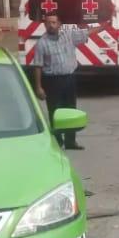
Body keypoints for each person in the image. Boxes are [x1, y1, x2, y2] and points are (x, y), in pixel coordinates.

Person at [28, 13, 89, 150]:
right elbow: (38, 66)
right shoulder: (41, 43)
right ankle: (57, 141)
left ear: (59, 24)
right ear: (45, 25)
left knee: (70, 110)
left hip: (69, 79)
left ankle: (70, 141)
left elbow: (88, 32)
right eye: (48, 23)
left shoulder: (68, 36)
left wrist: (105, 25)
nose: (51, 25)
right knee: (55, 111)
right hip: (52, 81)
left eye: (54, 22)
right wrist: (38, 87)